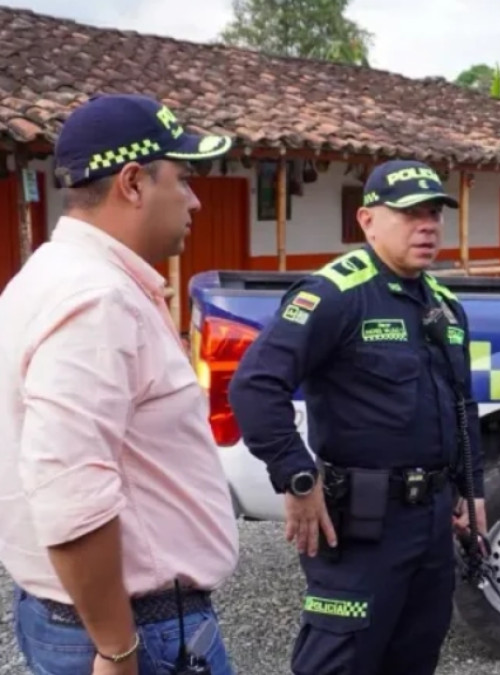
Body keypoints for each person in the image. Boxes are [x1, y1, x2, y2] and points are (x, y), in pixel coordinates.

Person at [0, 93, 240, 674]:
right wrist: (117, 648)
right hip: (137, 628)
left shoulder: (53, 276)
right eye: (183, 179)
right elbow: (72, 494)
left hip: (87, 614)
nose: (195, 200)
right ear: (133, 183)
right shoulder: (97, 300)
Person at [226, 159, 486, 675]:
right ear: (367, 221)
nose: (428, 226)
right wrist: (297, 477)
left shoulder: (445, 306)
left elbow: (463, 406)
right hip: (361, 525)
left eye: (434, 213)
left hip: (432, 522)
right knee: (339, 662)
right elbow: (254, 386)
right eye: (411, 213)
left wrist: (472, 490)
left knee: (415, 657)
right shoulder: (334, 295)